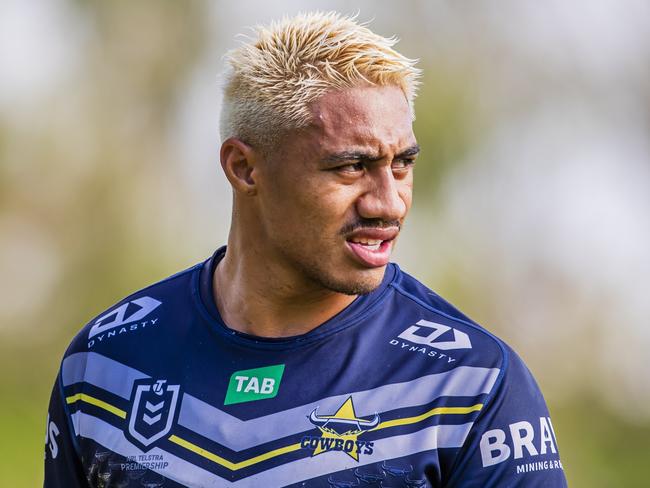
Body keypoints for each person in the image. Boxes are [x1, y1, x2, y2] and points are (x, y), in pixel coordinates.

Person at [44, 11, 567, 487]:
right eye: (352, 166)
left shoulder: (471, 382)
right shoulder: (105, 366)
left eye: (402, 164)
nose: (389, 203)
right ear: (244, 168)